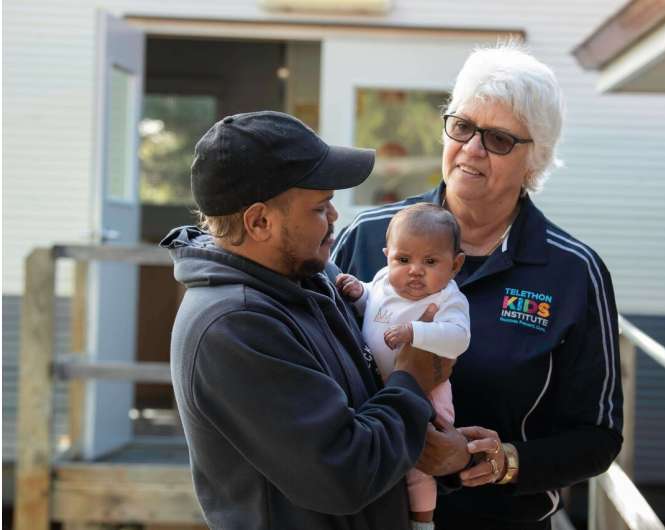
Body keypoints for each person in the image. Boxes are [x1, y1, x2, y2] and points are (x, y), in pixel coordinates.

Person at [332, 42, 623, 530]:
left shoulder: (573, 272)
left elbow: (597, 437)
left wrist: (501, 461)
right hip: (367, 518)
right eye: (463, 126)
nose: (471, 149)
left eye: (499, 139)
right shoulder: (367, 238)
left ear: (537, 159)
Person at [162, 110, 453, 530]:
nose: (335, 216)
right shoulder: (232, 326)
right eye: (320, 207)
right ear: (260, 221)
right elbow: (345, 473)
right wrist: (411, 379)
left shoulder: (315, 276)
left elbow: (371, 407)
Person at [335, 203, 470, 529]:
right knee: (376, 449)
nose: (415, 271)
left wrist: (416, 332)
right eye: (403, 260)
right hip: (376, 386)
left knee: (418, 458)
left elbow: (458, 338)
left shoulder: (448, 299)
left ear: (455, 265)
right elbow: (374, 303)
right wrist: (359, 294)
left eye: (430, 262)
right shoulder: (383, 280)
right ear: (387, 256)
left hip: (428, 393)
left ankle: (423, 520)